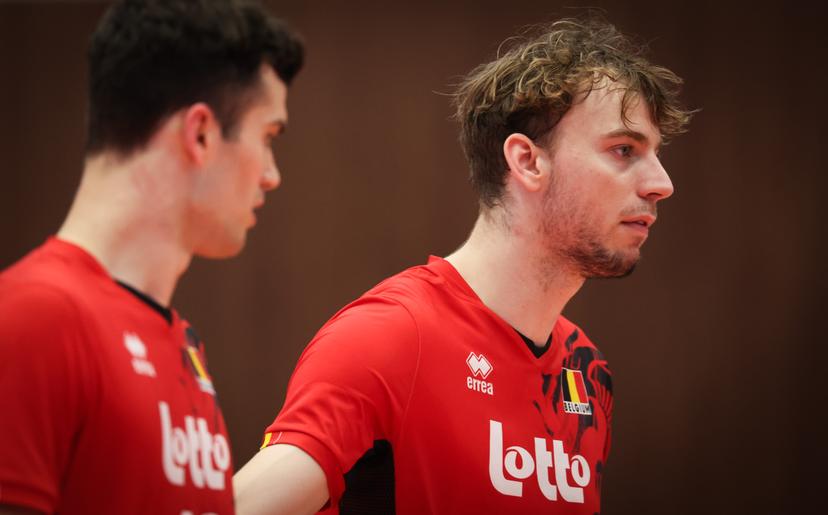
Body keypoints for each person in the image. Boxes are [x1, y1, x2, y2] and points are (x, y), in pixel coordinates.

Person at [234, 16, 692, 515]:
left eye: (655, 154)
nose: (661, 184)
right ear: (527, 161)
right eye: (624, 150)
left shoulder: (587, 371)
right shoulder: (392, 337)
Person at [0, 1, 303, 513]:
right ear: (200, 133)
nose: (272, 175)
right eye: (268, 137)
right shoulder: (33, 319)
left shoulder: (181, 343)